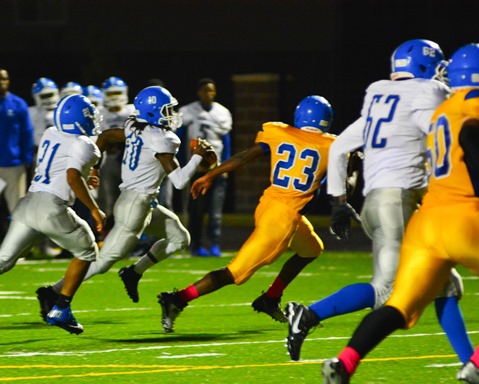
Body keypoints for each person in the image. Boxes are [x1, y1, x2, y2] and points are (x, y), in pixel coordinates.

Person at [286, 39, 474, 366]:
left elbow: (342, 144)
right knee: (391, 293)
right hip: (397, 200)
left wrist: (338, 200)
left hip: (380, 202)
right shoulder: (430, 92)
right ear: (427, 68)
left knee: (444, 282)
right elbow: (446, 133)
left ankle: (469, 364)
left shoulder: (380, 96)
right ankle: (311, 317)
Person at [157, 95, 335, 333]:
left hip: (267, 206)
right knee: (236, 272)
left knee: (312, 248)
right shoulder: (333, 145)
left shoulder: (278, 131)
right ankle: (177, 299)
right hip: (283, 219)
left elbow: (244, 156)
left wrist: (210, 174)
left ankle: (270, 298)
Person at [36, 86, 217, 309]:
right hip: (135, 206)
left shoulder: (135, 125)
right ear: (153, 112)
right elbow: (180, 181)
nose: (171, 115)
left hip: (145, 203)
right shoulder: (163, 138)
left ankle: (133, 272)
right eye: (166, 110)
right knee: (102, 262)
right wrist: (197, 156)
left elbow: (105, 136)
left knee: (180, 238)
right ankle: (53, 292)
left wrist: (95, 168)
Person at [0, 94, 106, 335]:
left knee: (3, 261)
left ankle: (57, 302)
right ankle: (61, 308)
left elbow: (61, 166)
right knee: (88, 250)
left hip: (28, 203)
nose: (92, 120)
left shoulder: (50, 132)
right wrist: (93, 208)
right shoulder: (86, 144)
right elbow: (71, 175)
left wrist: (84, 173)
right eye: (89, 116)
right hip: (52, 208)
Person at [178, 78, 232, 256]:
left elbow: (226, 141)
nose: (209, 94)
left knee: (215, 211)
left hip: (215, 168)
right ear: (199, 93)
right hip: (196, 169)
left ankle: (214, 243)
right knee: (196, 211)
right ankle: (196, 245)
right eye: (205, 91)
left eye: (211, 91)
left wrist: (225, 167)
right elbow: (180, 138)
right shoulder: (187, 111)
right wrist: (182, 165)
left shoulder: (222, 112)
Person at [96, 76, 136, 235]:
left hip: (131, 161)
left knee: (133, 199)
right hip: (108, 161)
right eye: (110, 93)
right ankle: (110, 234)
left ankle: (138, 236)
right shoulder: (100, 113)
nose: (114, 97)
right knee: (109, 200)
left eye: (117, 93)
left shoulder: (132, 110)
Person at [0, 68, 34, 239]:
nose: (2, 82)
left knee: (17, 210)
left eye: (4, 78)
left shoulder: (18, 104)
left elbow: (27, 132)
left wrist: (26, 160)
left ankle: (20, 248)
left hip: (13, 165)